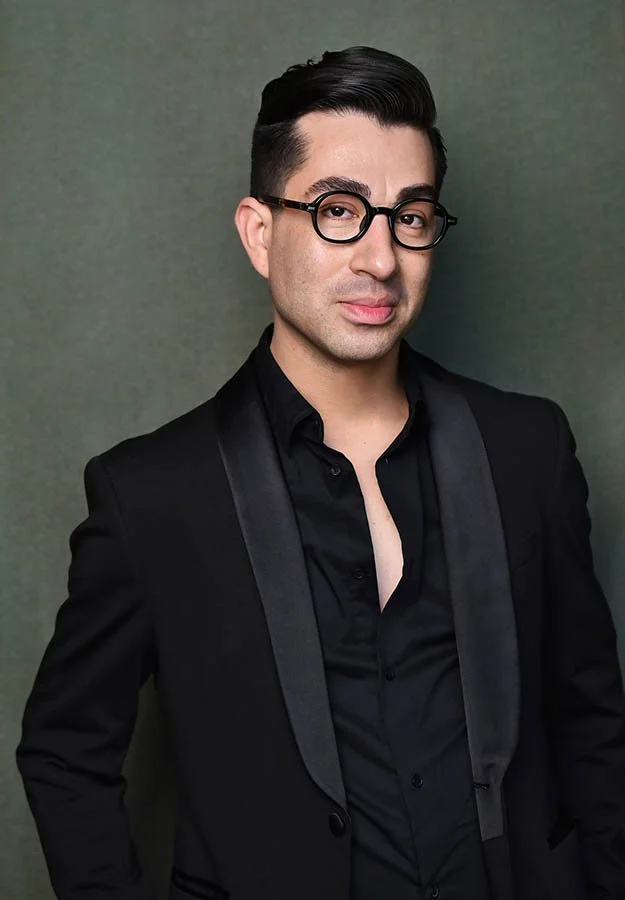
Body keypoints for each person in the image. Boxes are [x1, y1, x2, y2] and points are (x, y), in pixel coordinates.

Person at [16, 45, 625, 900]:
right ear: (260, 233)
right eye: (340, 209)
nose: (380, 258)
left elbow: (591, 718)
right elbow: (64, 751)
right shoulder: (151, 493)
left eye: (410, 217)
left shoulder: (525, 448)